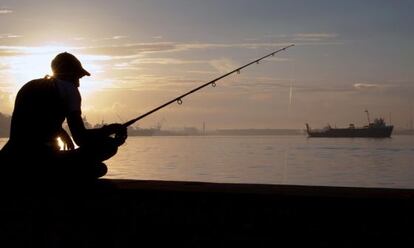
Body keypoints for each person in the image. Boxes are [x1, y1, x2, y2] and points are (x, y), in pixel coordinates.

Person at [0, 52, 127, 180]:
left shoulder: (29, 86)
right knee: (104, 156)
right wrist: (110, 131)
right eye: (78, 77)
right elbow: (81, 138)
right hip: (41, 163)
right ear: (70, 74)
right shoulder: (69, 89)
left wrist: (59, 130)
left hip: (9, 159)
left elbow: (36, 121)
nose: (78, 83)